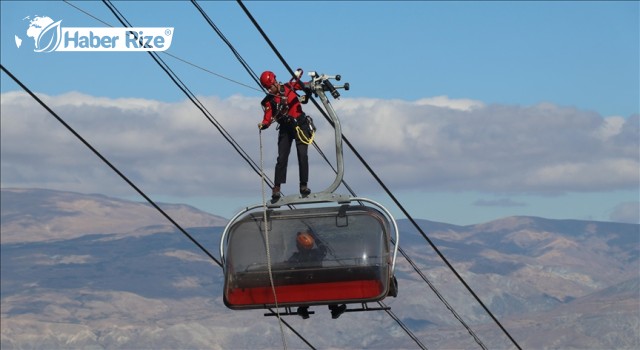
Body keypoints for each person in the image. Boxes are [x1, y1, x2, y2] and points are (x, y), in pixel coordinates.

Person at [258, 70, 314, 201]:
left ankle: (303, 185)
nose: (269, 90)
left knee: (302, 155)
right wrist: (264, 125)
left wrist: (310, 87)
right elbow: (267, 118)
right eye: (267, 88)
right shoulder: (269, 101)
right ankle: (276, 188)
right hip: (285, 128)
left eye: (270, 86)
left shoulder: (290, 87)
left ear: (275, 82)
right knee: (282, 158)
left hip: (300, 124)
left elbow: (306, 85)